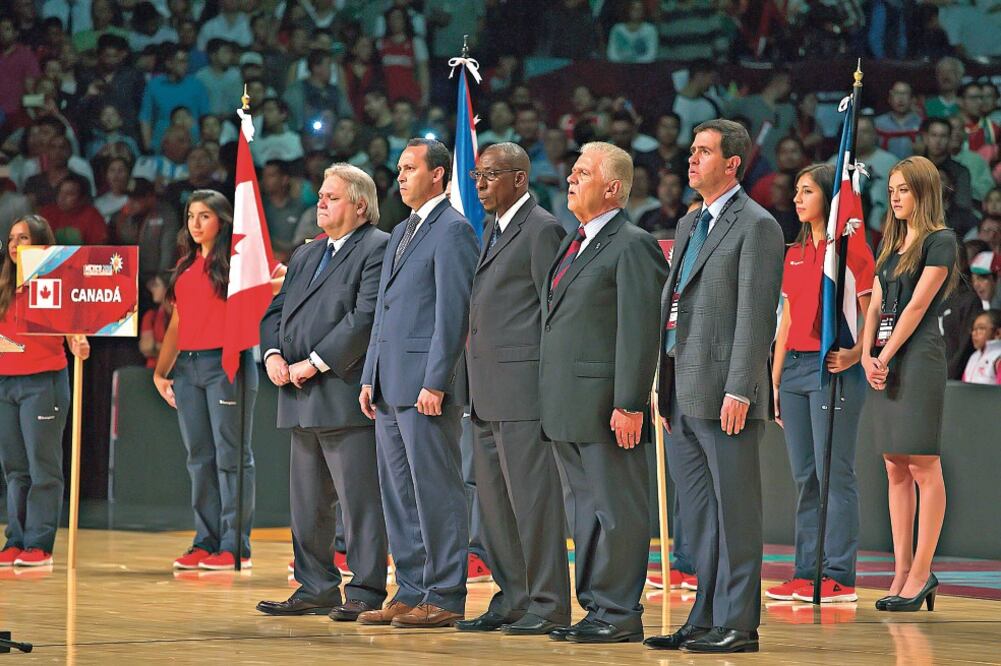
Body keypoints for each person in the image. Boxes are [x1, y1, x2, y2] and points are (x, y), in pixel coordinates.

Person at [647, 119, 784, 654]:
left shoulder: (757, 224)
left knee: (735, 511)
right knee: (698, 516)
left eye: (703, 151)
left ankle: (738, 622)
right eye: (692, 149)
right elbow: (672, 308)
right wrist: (660, 379)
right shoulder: (687, 224)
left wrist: (742, 389)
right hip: (680, 385)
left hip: (726, 391)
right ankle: (702, 617)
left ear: (733, 164)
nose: (691, 159)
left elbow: (756, 316)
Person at [540, 141, 667, 644]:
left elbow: (639, 330)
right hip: (568, 405)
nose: (571, 178)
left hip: (607, 407)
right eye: (571, 170)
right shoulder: (576, 241)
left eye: (584, 172)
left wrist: (629, 402)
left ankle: (619, 611)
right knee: (586, 513)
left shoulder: (632, 243)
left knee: (616, 510)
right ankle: (595, 606)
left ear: (612, 188)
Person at [257, 164, 390, 620]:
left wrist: (313, 363)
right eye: (320, 195)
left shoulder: (378, 246)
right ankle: (315, 586)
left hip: (342, 390)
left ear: (359, 204)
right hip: (296, 394)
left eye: (331, 197)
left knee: (360, 503)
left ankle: (367, 590)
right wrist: (273, 354)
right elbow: (275, 311)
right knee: (308, 502)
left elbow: (365, 317)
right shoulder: (306, 254)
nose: (321, 202)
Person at [357, 138, 478, 628]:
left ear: (438, 174)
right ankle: (409, 589)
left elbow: (454, 313)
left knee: (436, 491)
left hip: (427, 387)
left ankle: (445, 594)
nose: (400, 176)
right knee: (399, 493)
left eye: (410, 168)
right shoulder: (401, 229)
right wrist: (369, 375)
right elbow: (383, 312)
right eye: (399, 169)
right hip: (388, 382)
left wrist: (438, 381)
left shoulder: (453, 230)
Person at [457, 143, 569, 635]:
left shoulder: (542, 229)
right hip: (484, 391)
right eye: (477, 175)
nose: (479, 184)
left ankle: (548, 603)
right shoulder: (492, 228)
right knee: (495, 505)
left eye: (489, 175)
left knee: (533, 503)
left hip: (523, 391)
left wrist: (548, 389)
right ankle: (514, 596)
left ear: (520, 179)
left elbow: (553, 316)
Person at [765, 164, 875, 605]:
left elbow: (871, 307)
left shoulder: (849, 250)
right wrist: (773, 382)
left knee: (835, 474)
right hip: (792, 369)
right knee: (806, 477)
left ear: (828, 199)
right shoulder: (793, 252)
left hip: (833, 367)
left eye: (806, 191)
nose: (796, 198)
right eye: (795, 190)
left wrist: (856, 355)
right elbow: (786, 319)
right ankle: (806, 572)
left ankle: (838, 576)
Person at [861, 156, 958, 613]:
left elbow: (917, 308)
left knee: (922, 462)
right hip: (883, 356)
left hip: (918, 358)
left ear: (923, 192)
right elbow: (875, 305)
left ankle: (921, 572)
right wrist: (865, 354)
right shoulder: (892, 243)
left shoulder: (941, 241)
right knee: (893, 465)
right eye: (892, 189)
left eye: (904, 189)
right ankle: (901, 571)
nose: (895, 197)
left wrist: (884, 354)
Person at [153, 190, 257, 571]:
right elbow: (178, 325)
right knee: (199, 458)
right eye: (191, 216)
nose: (196, 224)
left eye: (205, 216)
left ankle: (235, 547)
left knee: (232, 458)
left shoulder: (238, 264)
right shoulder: (184, 268)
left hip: (226, 363)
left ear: (222, 221)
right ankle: (205, 541)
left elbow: (273, 286)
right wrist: (160, 371)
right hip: (188, 368)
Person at [0, 215, 90, 568]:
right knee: (14, 467)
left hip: (43, 381)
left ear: (41, 244)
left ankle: (39, 543)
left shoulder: (56, 281)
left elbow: (74, 329)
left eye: (23, 238)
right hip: (5, 382)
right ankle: (16, 538)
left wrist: (79, 341)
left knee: (42, 466)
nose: (14, 244)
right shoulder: (4, 283)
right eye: (10, 238)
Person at [962, 310, 1001, 384]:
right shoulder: (973, 357)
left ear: (997, 333)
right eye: (973, 329)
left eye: (981, 328)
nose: (974, 333)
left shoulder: (998, 358)